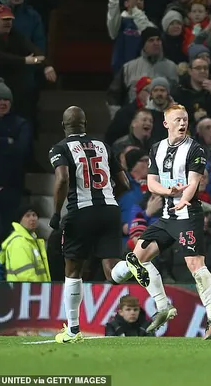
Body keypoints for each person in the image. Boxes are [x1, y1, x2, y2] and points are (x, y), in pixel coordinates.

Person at [110, 104, 211, 340]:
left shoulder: (195, 149)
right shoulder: (157, 148)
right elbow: (151, 183)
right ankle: (163, 307)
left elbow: (194, 182)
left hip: (188, 215)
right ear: (166, 124)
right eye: (177, 120)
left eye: (184, 119)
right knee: (137, 259)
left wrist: (184, 199)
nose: (182, 124)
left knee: (195, 265)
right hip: (165, 216)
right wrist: (168, 191)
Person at [48, 106, 130, 344]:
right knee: (112, 272)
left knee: (73, 270)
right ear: (85, 124)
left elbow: (62, 178)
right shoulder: (103, 146)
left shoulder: (60, 148)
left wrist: (55, 212)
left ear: (64, 126)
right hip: (110, 210)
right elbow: (124, 183)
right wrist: (108, 198)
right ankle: (130, 266)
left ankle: (73, 330)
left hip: (81, 212)